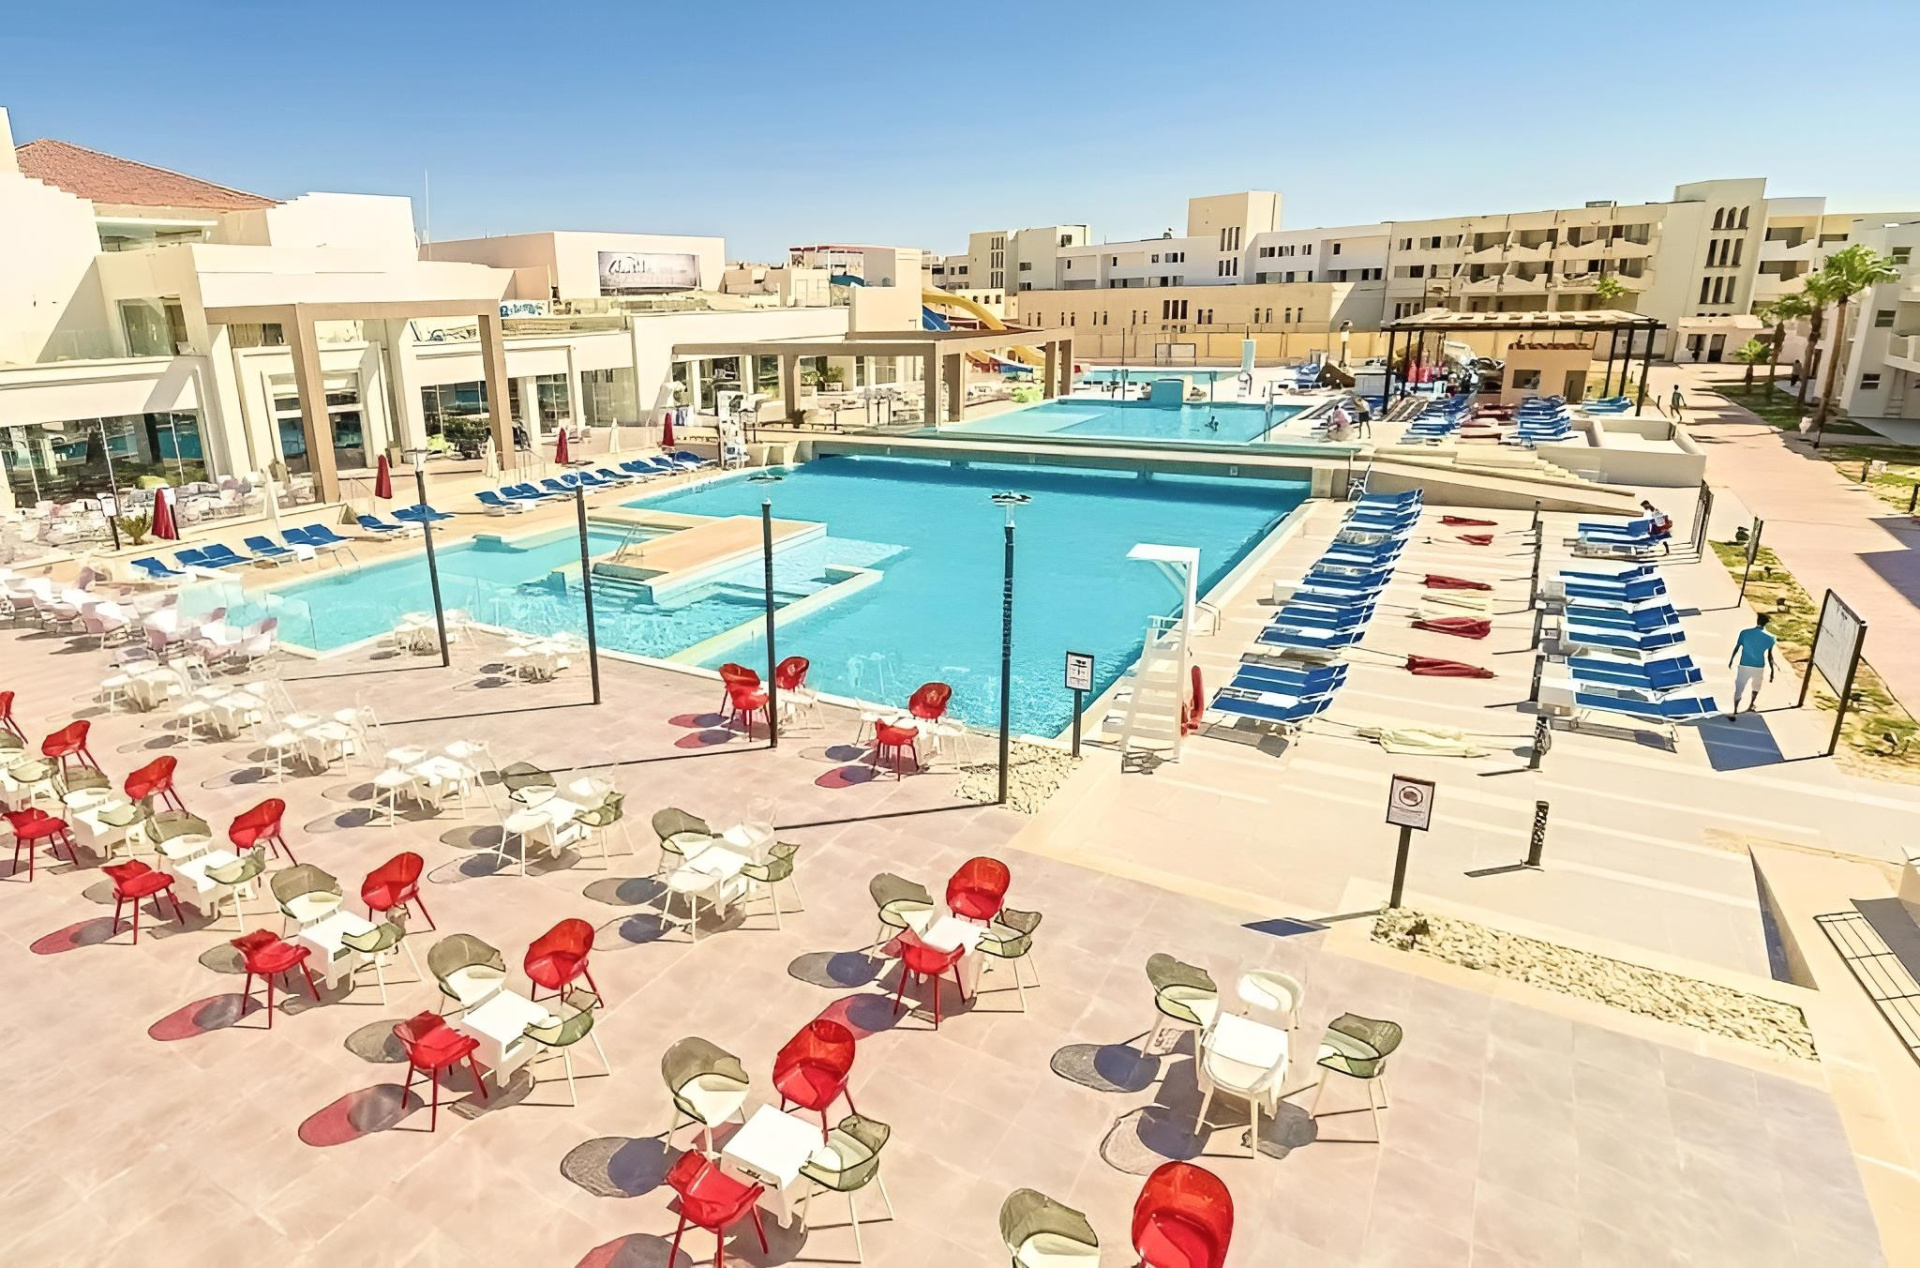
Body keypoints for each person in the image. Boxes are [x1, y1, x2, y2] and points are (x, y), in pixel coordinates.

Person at [1727, 613, 1778, 715]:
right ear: (1766, 624)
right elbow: (1770, 656)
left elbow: (1737, 647)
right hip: (1759, 666)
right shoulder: (1771, 638)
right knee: (1756, 687)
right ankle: (1751, 704)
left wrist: (1731, 660)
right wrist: (1772, 671)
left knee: (1739, 687)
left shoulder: (1744, 633)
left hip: (1744, 664)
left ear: (1757, 621)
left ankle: (1735, 708)